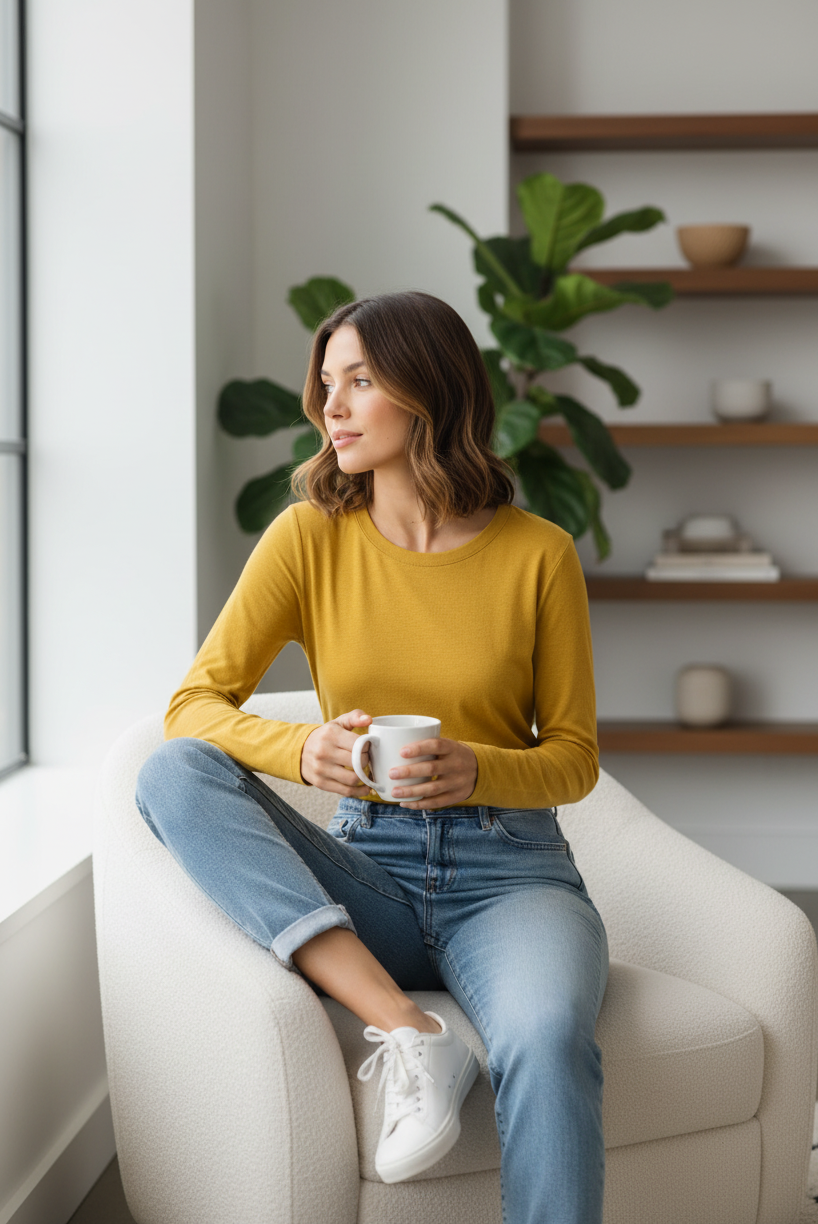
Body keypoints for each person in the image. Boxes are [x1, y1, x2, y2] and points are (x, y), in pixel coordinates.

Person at [135, 291, 609, 1223]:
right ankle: (408, 1030)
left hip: (512, 875)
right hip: (368, 873)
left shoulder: (539, 555)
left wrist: (481, 768)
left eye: (359, 381)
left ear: (428, 391)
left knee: (550, 1041)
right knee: (172, 772)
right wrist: (302, 750)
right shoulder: (308, 537)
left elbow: (575, 758)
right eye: (326, 384)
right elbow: (192, 706)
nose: (332, 407)